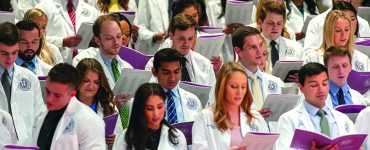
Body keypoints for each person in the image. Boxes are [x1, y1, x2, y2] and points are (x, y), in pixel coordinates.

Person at [275, 62, 355, 149]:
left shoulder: (343, 119)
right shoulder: (288, 120)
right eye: (314, 85)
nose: (321, 90)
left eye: (324, 84)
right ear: (301, 88)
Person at [192, 62, 269, 150]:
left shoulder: (256, 118)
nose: (239, 92)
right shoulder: (204, 117)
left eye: (243, 87)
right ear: (222, 87)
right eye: (234, 86)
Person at [32, 63, 105, 150]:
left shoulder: (90, 121)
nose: (49, 99)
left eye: (57, 95)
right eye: (48, 91)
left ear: (72, 94)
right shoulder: (43, 113)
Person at [0, 22, 45, 145]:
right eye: (4, 53)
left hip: (26, 145)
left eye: (14, 53)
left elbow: (39, 118)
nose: (10, 58)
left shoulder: (30, 78)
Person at [145, 14, 216, 91]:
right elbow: (152, 95)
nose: (186, 44)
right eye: (182, 38)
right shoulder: (154, 63)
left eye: (190, 38)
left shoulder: (205, 63)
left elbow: (212, 98)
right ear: (171, 36)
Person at [113, 83, 187, 150]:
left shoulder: (177, 136)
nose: (156, 113)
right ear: (141, 109)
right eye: (149, 108)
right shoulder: (126, 138)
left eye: (160, 107)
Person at [232, 26, 284, 114]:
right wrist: (253, 117)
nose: (259, 51)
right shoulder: (227, 82)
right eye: (252, 47)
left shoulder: (275, 82)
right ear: (238, 51)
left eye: (260, 45)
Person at [73, 14, 133, 89]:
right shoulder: (82, 60)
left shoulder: (127, 67)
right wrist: (113, 101)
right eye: (109, 38)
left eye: (118, 36)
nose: (116, 42)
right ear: (97, 40)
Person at [75, 58, 122, 149]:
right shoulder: (66, 107)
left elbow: (120, 142)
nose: (91, 86)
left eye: (96, 82)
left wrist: (113, 142)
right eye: (86, 81)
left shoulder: (109, 107)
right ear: (77, 80)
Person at [304, 10, 370, 72]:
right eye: (338, 31)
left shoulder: (363, 59)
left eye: (346, 30)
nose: (343, 35)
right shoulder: (313, 58)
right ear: (328, 32)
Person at [36, 0, 100, 63]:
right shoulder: (43, 8)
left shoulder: (92, 11)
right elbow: (34, 39)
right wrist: (62, 42)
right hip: (53, 63)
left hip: (84, 64)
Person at [152, 48, 202, 123]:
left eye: (176, 72)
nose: (172, 78)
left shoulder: (194, 100)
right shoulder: (143, 101)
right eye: (166, 72)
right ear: (154, 72)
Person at [304, 0, 370, 52]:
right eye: (338, 30)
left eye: (346, 29)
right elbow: (309, 53)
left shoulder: (363, 23)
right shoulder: (316, 22)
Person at [257, 1, 304, 67]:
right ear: (260, 23)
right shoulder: (252, 47)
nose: (275, 27)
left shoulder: (296, 47)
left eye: (279, 23)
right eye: (270, 23)